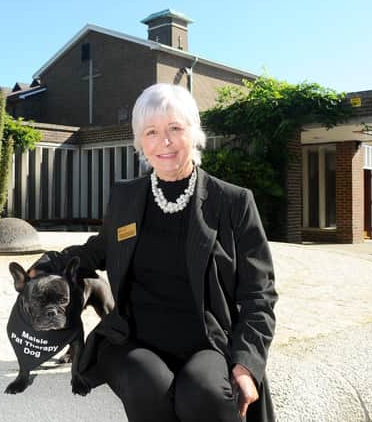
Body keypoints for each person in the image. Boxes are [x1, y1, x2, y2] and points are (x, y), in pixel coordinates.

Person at [29, 83, 277, 422]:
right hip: (134, 339)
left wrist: (247, 362)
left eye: (175, 128)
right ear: (140, 141)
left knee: (203, 394)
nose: (165, 141)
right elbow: (99, 250)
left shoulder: (233, 202)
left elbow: (259, 296)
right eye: (152, 132)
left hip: (207, 341)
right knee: (147, 385)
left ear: (194, 132)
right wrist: (47, 264)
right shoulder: (126, 198)